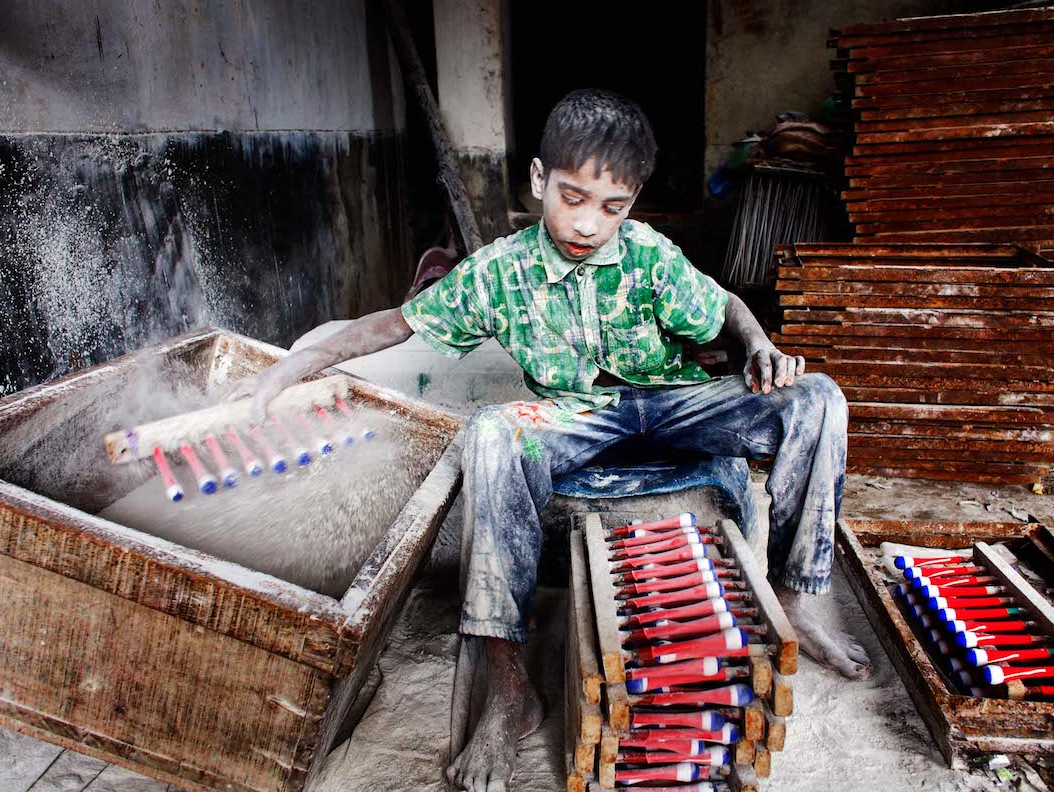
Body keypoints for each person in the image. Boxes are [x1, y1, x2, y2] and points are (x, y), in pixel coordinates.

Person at [230, 89, 869, 792]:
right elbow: (397, 323)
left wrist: (758, 346)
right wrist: (296, 363)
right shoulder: (502, 272)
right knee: (494, 432)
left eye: (612, 208)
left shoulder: (650, 257)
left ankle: (798, 593)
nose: (589, 224)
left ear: (632, 205)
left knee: (817, 398)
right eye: (573, 197)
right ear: (539, 181)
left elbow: (726, 308)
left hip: (675, 404)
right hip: (579, 419)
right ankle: (504, 675)